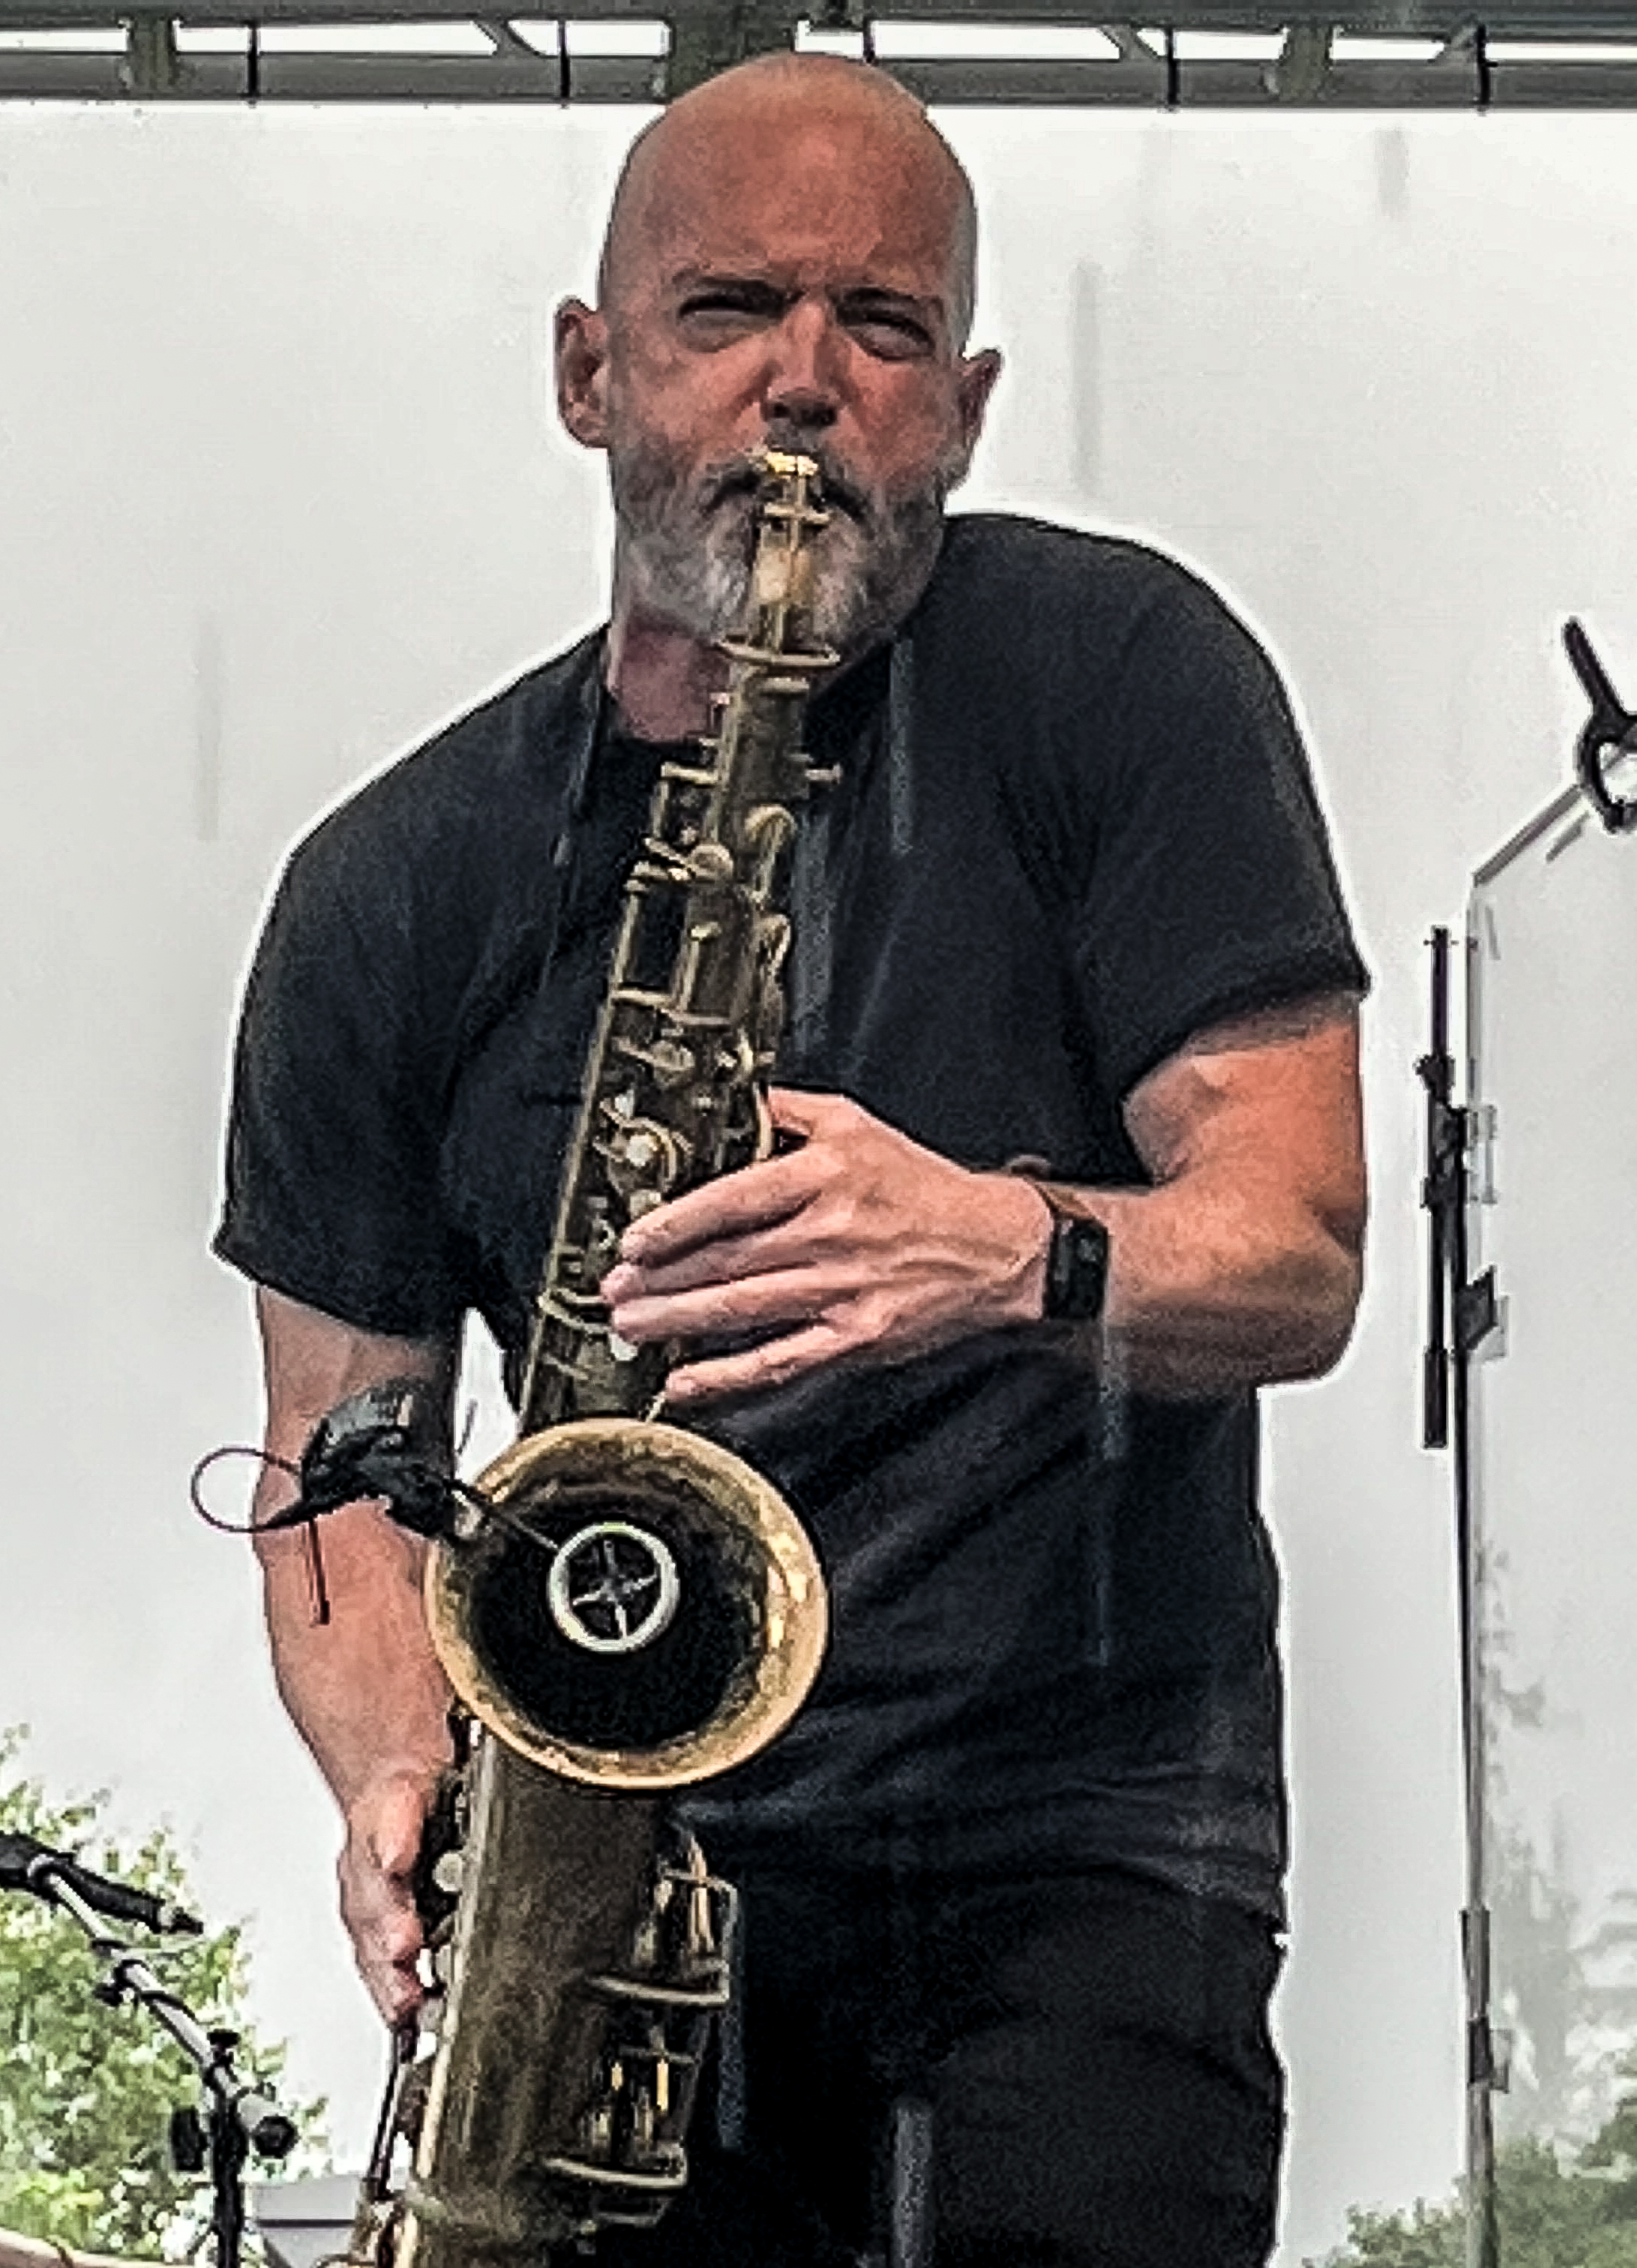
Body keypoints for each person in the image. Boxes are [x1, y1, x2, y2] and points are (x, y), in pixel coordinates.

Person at [217, 50, 1369, 2268]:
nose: (809, 384)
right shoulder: (388, 888)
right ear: (589, 370)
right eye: (731, 309)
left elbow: (1301, 1248)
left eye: (888, 327)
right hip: (624, 1871)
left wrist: (1003, 1247)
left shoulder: (1125, 677)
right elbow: (338, 1460)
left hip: (1079, 1847)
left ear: (969, 404)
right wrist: (395, 1768)